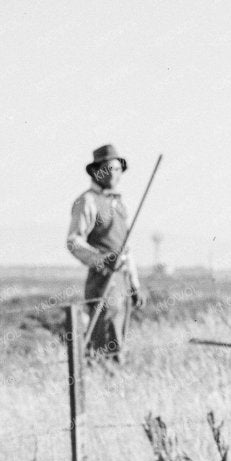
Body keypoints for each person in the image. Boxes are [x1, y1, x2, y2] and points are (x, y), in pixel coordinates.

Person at [66, 143, 143, 360]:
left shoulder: (119, 203)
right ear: (97, 171)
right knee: (104, 334)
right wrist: (100, 259)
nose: (115, 174)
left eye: (118, 169)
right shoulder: (87, 201)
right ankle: (101, 379)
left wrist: (135, 283)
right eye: (110, 169)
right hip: (102, 279)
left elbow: (126, 248)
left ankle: (114, 381)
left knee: (119, 337)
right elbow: (73, 241)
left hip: (122, 279)